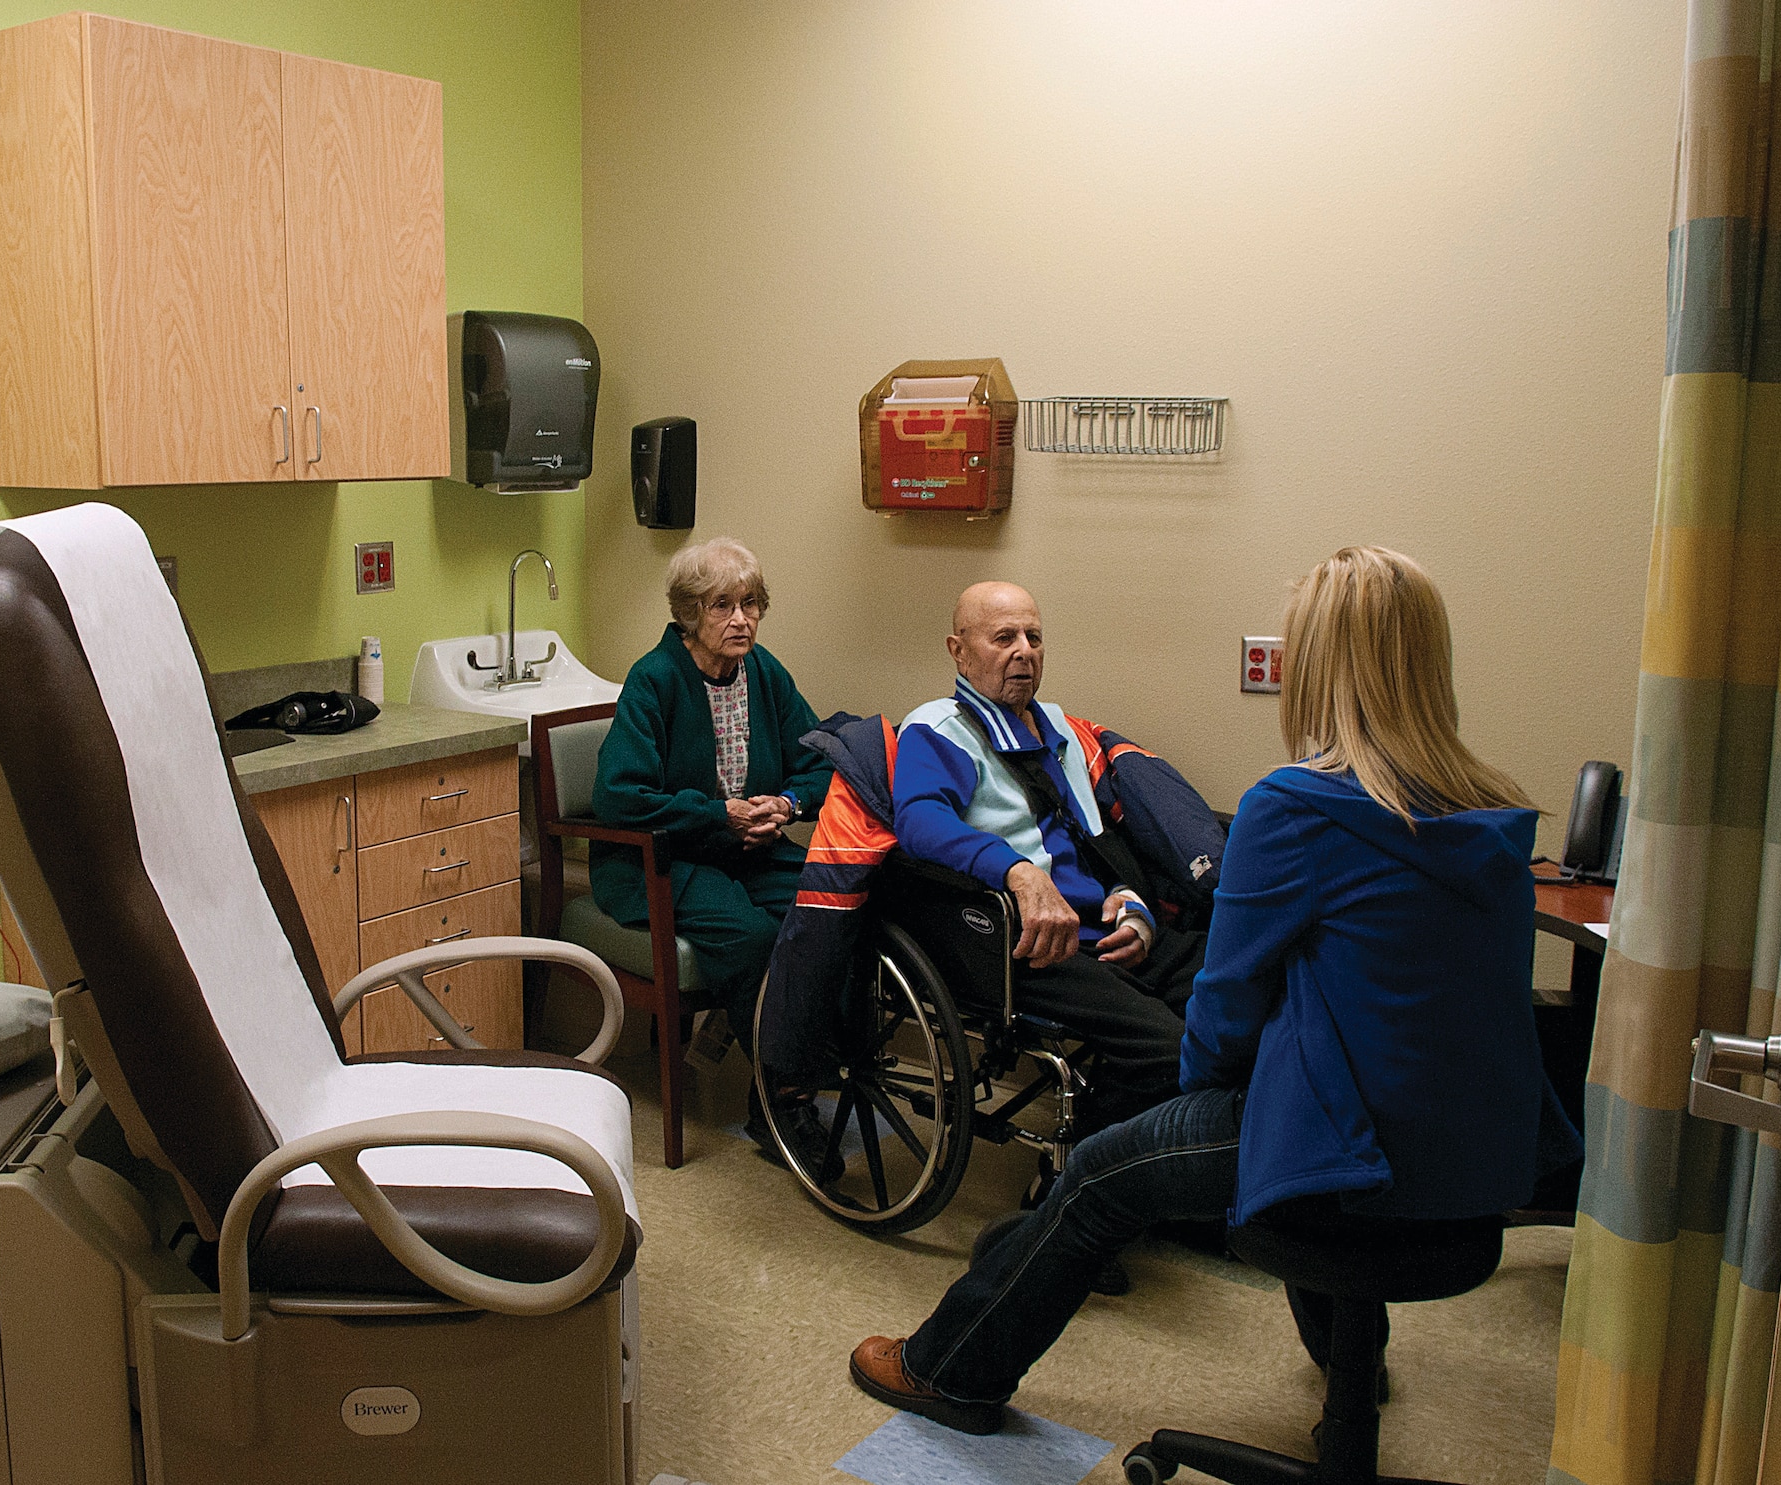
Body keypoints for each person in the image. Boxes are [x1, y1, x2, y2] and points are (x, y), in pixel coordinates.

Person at [848, 546, 1582, 1435]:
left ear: (1320, 668)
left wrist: (1196, 1089)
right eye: (1005, 634)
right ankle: (1354, 1363)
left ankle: (950, 1372)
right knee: (1292, 1092)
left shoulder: (1299, 808)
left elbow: (1223, 1029)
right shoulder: (1498, 819)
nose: (1025, 648)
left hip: (1351, 1151)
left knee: (1099, 1172)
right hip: (1476, 1158)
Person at [893, 582, 1208, 1146]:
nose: (1024, 651)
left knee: (1239, 993)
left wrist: (1132, 903)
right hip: (1029, 946)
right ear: (957, 650)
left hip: (1104, 927)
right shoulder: (938, 729)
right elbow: (918, 824)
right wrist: (1018, 871)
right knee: (1168, 1050)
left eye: (1034, 638)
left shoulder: (1060, 728)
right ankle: (1087, 1161)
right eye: (1003, 637)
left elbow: (1099, 835)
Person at [591, 536, 836, 1160]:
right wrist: (718, 815)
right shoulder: (655, 680)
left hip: (746, 849)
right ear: (688, 613)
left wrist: (785, 805)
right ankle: (784, 1102)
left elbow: (819, 761)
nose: (741, 619)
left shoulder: (764, 673)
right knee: (753, 938)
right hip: (662, 859)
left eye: (751, 603)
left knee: (830, 909)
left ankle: (802, 1071)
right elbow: (620, 795)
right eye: (722, 604)